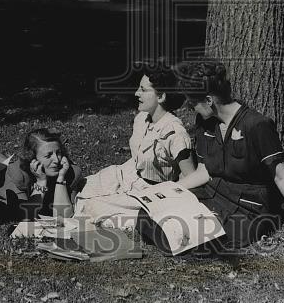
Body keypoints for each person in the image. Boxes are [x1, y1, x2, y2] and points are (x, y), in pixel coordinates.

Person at [135, 60, 284, 254]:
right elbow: (204, 171)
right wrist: (169, 189)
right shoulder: (205, 122)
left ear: (209, 101)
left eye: (194, 103)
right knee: (145, 217)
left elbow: (281, 176)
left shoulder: (257, 125)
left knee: (185, 236)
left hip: (248, 208)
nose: (192, 108)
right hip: (212, 193)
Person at [74, 64, 196, 228]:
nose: (136, 93)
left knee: (91, 208)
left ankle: (140, 216)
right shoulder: (142, 118)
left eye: (143, 90)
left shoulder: (175, 133)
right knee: (81, 187)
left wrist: (167, 200)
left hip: (150, 190)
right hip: (128, 174)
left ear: (161, 97)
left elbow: (191, 178)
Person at [0, 128, 83, 221]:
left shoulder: (72, 173)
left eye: (58, 153)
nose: (56, 160)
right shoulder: (18, 175)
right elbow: (25, 216)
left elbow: (64, 217)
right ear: (32, 158)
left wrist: (60, 179)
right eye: (48, 156)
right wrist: (41, 182)